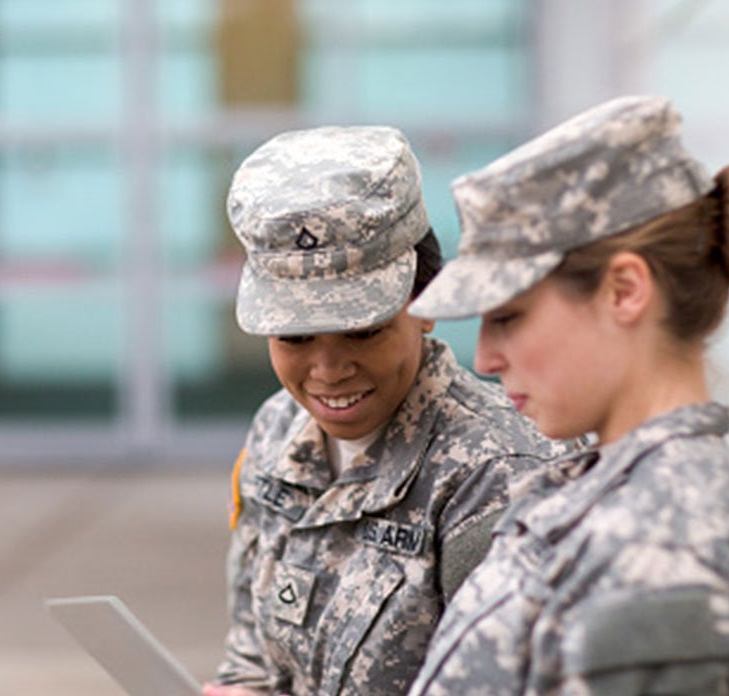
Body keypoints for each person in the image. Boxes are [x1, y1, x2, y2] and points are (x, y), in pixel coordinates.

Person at [405, 96, 729, 695]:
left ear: (624, 290)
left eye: (511, 317)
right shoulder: (608, 490)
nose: (487, 357)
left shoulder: (670, 548)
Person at [203, 125, 578, 696]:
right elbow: (253, 650)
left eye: (361, 331)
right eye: (295, 338)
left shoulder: (499, 473)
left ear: (427, 303)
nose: (328, 371)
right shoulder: (277, 431)